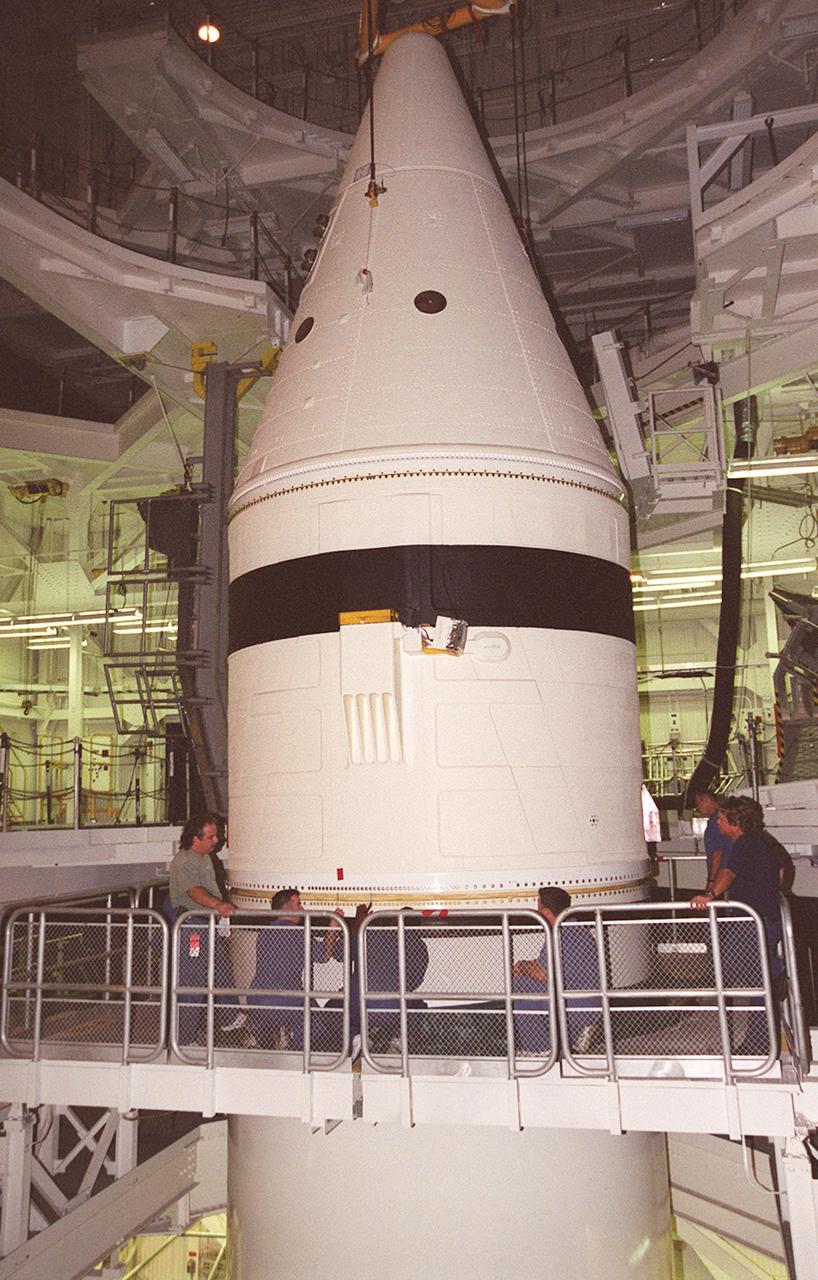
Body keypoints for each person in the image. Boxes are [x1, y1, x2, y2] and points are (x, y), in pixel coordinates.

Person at [690, 796, 784, 1053]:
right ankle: (758, 1042)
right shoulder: (761, 841)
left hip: (754, 920)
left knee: (732, 966)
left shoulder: (745, 844)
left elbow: (729, 872)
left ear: (735, 822)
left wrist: (710, 895)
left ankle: (777, 976)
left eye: (722, 819)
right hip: (765, 917)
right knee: (755, 980)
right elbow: (782, 871)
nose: (717, 823)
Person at [170, 813, 243, 1043]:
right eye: (211, 837)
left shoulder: (205, 858)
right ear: (196, 838)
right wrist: (219, 905)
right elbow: (195, 892)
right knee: (193, 982)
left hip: (206, 926)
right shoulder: (184, 862)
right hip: (193, 929)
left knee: (221, 971)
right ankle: (183, 1038)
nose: (216, 841)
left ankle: (231, 1018)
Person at [248, 889, 342, 1051]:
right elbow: (324, 955)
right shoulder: (298, 934)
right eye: (299, 904)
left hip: (257, 1000)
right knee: (312, 1014)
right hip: (287, 1001)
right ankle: (299, 1050)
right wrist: (333, 926)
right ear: (287, 908)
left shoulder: (264, 932)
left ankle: (261, 1034)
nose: (303, 909)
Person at [513, 886, 601, 1055]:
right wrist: (528, 966)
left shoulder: (561, 934)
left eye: (538, 904)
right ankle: (575, 1036)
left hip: (579, 1006)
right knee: (534, 985)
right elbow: (545, 966)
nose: (536, 909)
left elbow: (542, 972)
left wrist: (521, 967)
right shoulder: (574, 930)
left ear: (546, 912)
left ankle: (538, 1049)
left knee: (520, 986)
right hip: (586, 1002)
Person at [693, 789, 734, 897]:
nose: (697, 808)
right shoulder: (718, 820)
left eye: (699, 803)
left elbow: (717, 854)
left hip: (721, 875)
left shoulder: (716, 824)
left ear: (707, 800)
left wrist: (711, 881)